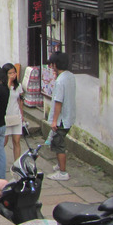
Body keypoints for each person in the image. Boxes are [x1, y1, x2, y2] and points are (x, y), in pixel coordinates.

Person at [47, 52, 76, 181]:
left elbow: (58, 102)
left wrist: (54, 121)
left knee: (59, 144)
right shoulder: (70, 76)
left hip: (62, 119)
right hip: (69, 115)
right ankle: (59, 166)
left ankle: (63, 172)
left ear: (55, 64)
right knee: (58, 142)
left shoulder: (60, 81)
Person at [2, 63, 25, 162]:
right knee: (4, 141)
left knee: (17, 141)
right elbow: (4, 94)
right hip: (6, 116)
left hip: (16, 115)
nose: (13, 75)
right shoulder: (3, 86)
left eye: (14, 72)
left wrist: (22, 115)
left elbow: (20, 101)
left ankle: (17, 163)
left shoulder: (18, 86)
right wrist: (9, 81)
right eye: (10, 73)